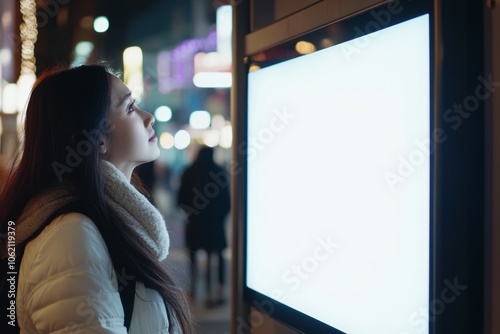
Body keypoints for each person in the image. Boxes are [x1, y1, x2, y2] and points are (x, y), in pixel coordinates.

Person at [0, 64, 195, 333]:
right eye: (129, 108)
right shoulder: (71, 234)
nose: (148, 118)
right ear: (97, 138)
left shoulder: (105, 217)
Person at [177, 146, 230, 307]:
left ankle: (194, 289)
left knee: (193, 255)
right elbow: (227, 201)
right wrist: (219, 216)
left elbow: (180, 199)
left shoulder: (189, 171)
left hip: (195, 223)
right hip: (215, 224)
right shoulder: (219, 171)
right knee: (217, 256)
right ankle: (216, 290)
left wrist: (191, 212)